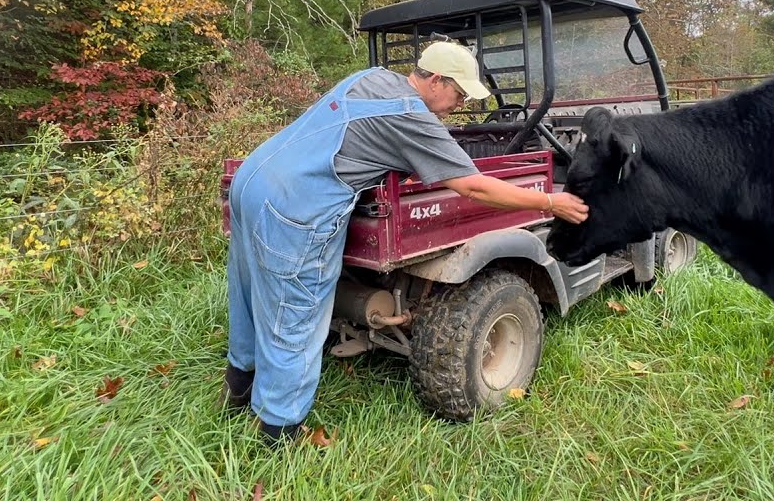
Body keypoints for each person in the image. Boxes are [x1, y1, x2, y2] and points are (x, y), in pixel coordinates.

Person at [221, 40, 589, 444]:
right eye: (459, 93)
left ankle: (238, 388)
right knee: (296, 312)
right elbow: (473, 186)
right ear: (434, 80)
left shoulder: (372, 78)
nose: (459, 103)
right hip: (296, 204)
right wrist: (549, 200)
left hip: (252, 179)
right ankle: (278, 432)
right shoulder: (413, 119)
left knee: (247, 289)